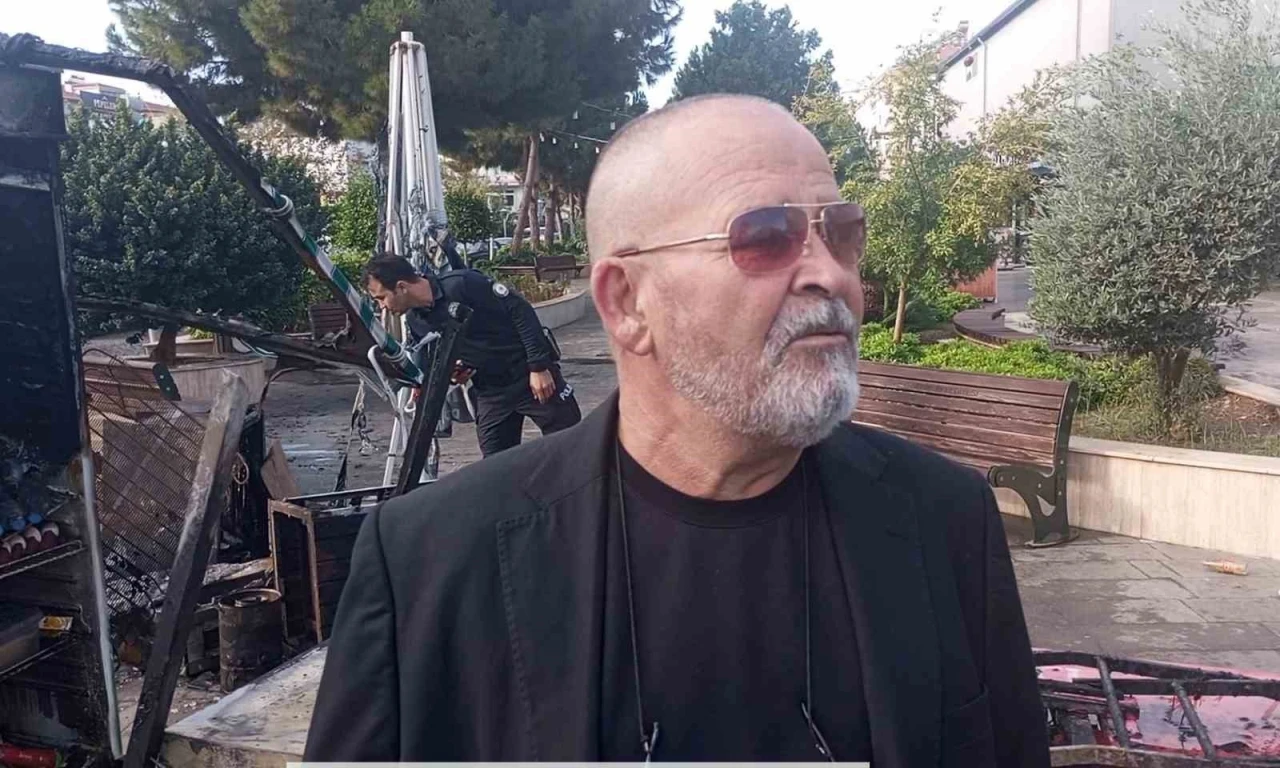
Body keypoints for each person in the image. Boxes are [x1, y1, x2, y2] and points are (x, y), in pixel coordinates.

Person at [307, 95, 1048, 766]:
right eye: (767, 235)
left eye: (842, 233)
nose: (832, 276)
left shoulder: (944, 518)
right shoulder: (428, 563)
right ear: (627, 302)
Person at [363, 256, 581, 456]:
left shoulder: (462, 284)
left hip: (531, 378)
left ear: (401, 287)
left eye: (381, 298)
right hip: (490, 391)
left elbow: (521, 312)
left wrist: (539, 366)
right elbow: (444, 356)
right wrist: (455, 373)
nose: (382, 307)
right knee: (495, 466)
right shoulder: (416, 322)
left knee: (571, 448)